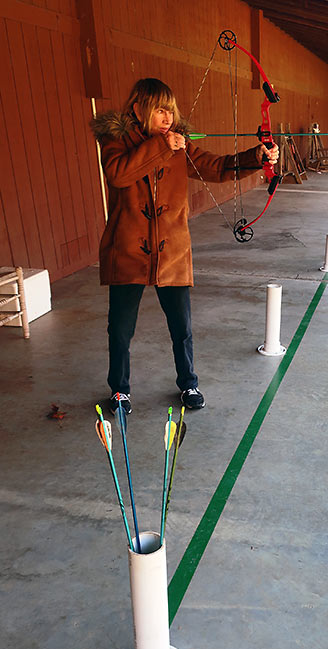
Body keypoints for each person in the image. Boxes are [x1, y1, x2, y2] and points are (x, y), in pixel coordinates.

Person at [91, 78, 279, 415]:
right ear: (138, 108)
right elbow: (118, 174)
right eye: (160, 110)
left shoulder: (180, 143)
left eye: (171, 110)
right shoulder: (115, 139)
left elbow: (218, 167)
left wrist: (257, 156)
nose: (168, 117)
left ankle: (188, 383)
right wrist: (163, 146)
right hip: (128, 250)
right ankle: (119, 390)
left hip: (172, 250)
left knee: (182, 326)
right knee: (120, 328)